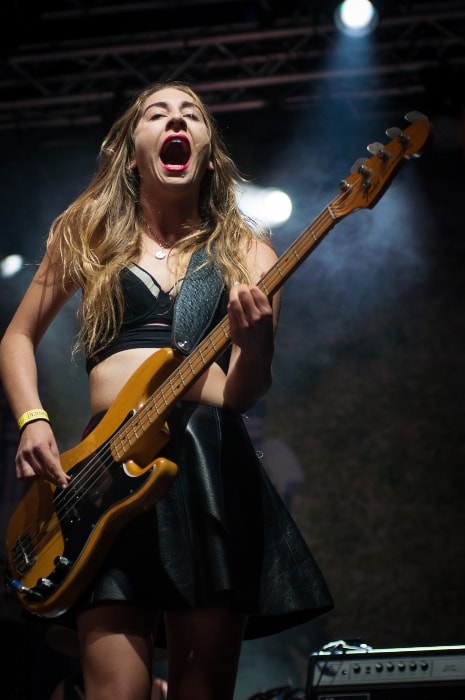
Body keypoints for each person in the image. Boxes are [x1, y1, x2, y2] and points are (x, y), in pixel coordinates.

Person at [0, 80, 333, 700]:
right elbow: (16, 337)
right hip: (105, 470)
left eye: (192, 116)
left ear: (208, 151)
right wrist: (32, 419)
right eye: (158, 113)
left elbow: (241, 394)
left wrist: (256, 343)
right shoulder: (88, 236)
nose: (176, 121)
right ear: (133, 151)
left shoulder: (249, 252)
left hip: (206, 469)